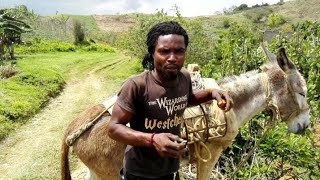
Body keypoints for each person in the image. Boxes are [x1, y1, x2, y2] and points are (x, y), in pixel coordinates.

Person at [107, 21, 232, 180]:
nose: (172, 58)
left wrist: (212, 93)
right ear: (153, 52)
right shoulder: (137, 85)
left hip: (170, 168)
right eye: (164, 51)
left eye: (179, 51)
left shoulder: (184, 77)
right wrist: (152, 139)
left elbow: (185, 100)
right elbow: (113, 128)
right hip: (139, 172)